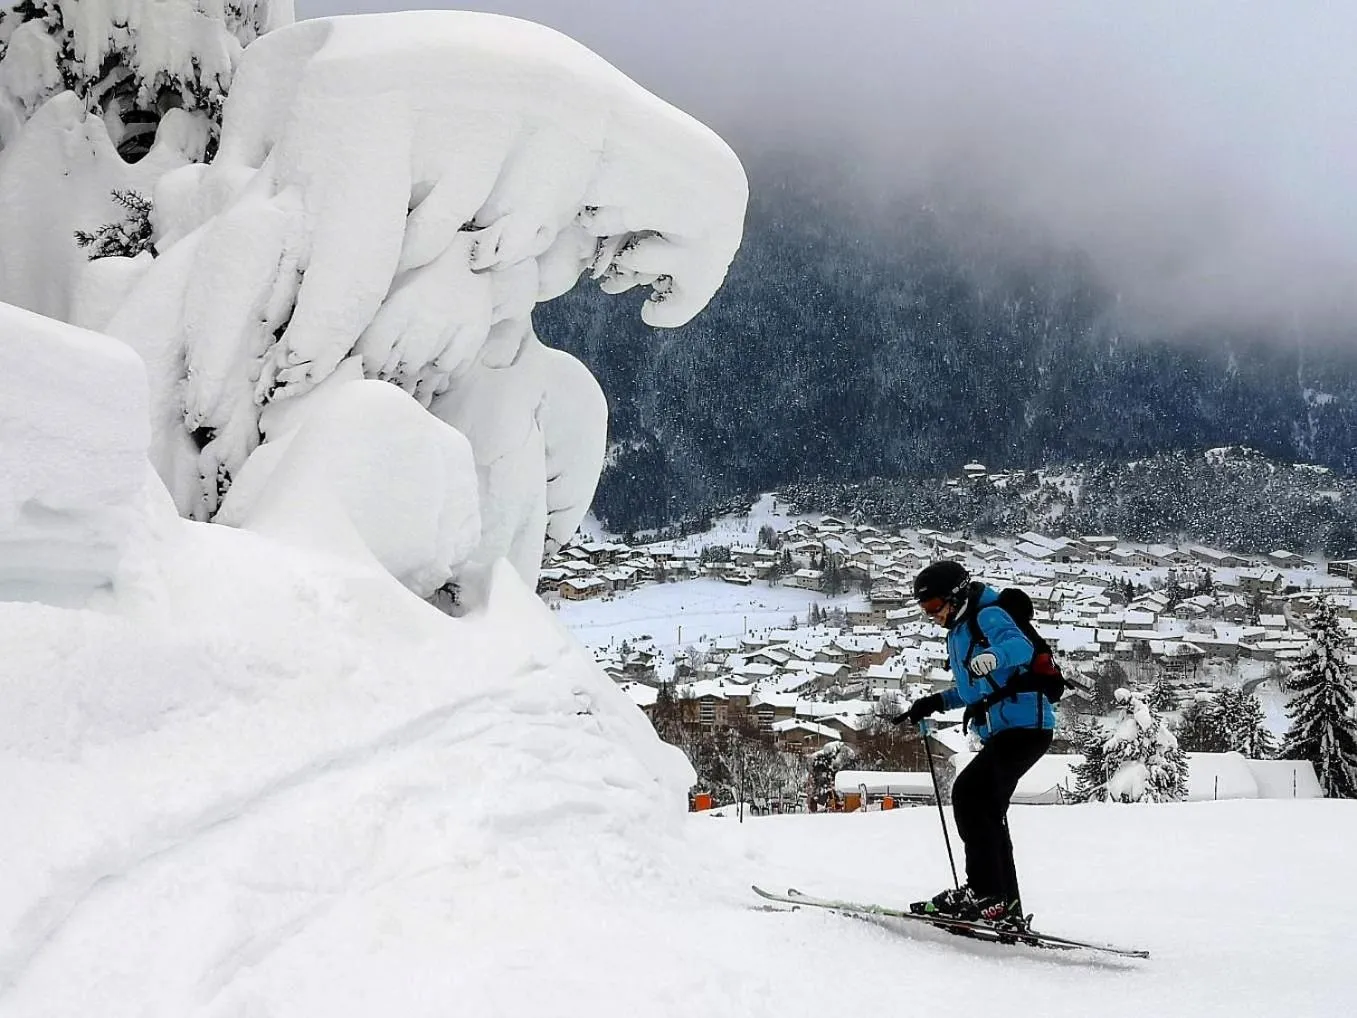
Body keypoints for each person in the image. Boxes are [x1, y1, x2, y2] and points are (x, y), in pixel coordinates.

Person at [894, 560, 1055, 929]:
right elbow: (974, 689)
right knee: (988, 812)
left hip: (1027, 725)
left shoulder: (989, 615)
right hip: (1009, 729)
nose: (932, 615)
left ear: (957, 596)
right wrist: (934, 702)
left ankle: (984, 893)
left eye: (935, 606)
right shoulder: (961, 631)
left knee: (968, 793)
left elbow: (1019, 647)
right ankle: (1004, 905)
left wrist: (995, 656)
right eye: (925, 609)